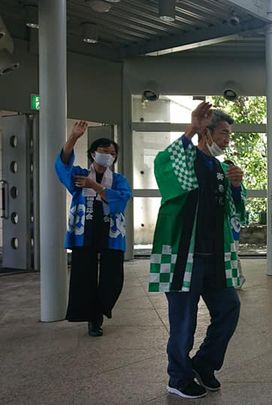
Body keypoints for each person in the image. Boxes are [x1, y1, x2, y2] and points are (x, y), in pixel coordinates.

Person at [149, 102, 246, 399]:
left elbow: (235, 214)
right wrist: (190, 128)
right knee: (184, 321)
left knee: (229, 307)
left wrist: (236, 187)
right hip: (183, 257)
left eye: (229, 135)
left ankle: (204, 364)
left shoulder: (221, 168)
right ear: (206, 133)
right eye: (223, 133)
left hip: (215, 257)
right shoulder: (185, 159)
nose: (227, 140)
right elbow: (164, 165)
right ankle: (177, 377)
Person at [55, 120, 131, 337]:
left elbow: (121, 201)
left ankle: (101, 309)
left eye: (112, 153)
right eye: (103, 151)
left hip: (111, 235)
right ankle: (92, 319)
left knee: (113, 278)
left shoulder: (118, 180)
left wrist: (94, 186)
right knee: (83, 277)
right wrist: (73, 138)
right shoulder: (79, 174)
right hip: (84, 234)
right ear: (92, 153)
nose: (107, 155)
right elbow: (62, 167)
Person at [223, 159, 248, 289]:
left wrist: (235, 185)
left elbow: (239, 200)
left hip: (232, 224)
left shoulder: (238, 186)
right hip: (221, 223)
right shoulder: (219, 182)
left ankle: (237, 278)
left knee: (233, 252)